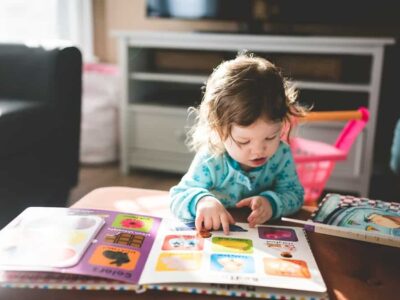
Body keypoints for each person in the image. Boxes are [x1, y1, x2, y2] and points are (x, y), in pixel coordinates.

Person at [170, 53, 307, 234]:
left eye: (271, 137)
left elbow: (295, 195)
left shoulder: (281, 155)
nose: (259, 150)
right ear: (219, 131)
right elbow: (178, 196)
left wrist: (271, 203)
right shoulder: (211, 158)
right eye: (244, 141)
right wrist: (203, 201)